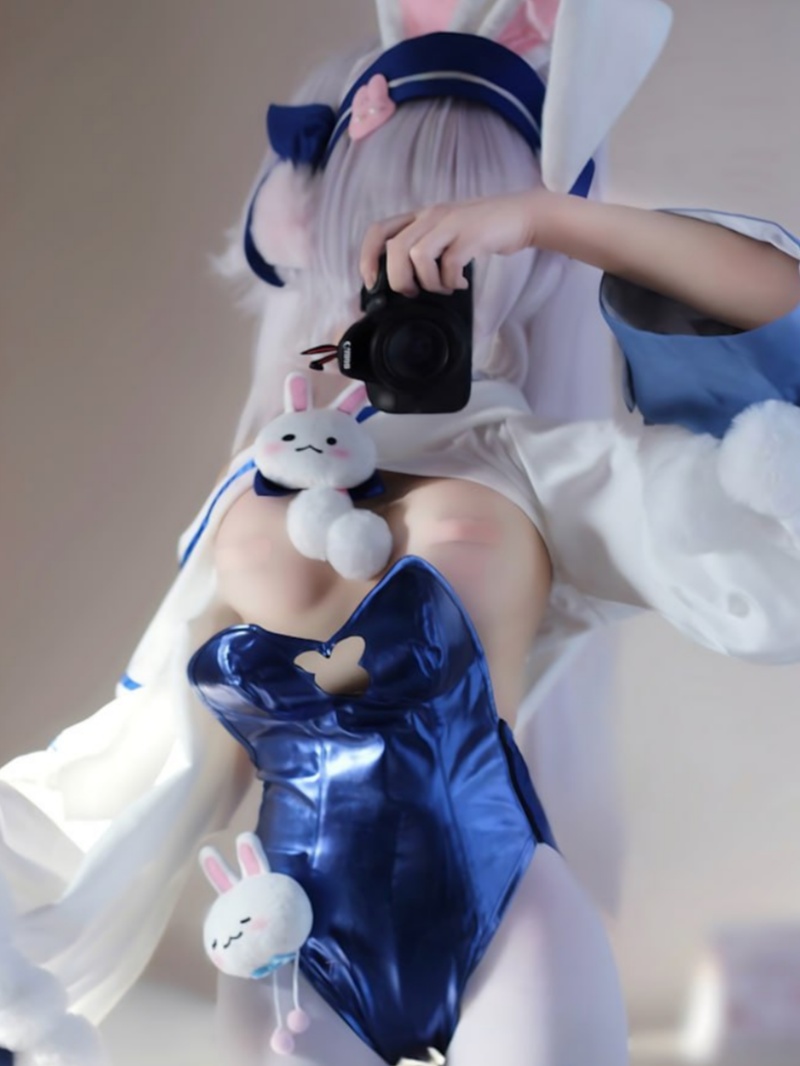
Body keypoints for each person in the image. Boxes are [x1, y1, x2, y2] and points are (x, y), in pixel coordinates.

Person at [2, 3, 800, 1065]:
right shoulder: (261, 477)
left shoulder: (543, 469)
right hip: (289, 946)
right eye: (386, 222)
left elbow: (780, 341)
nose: (420, 257)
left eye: (452, 228)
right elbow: (146, 750)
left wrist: (547, 218)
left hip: (506, 919)